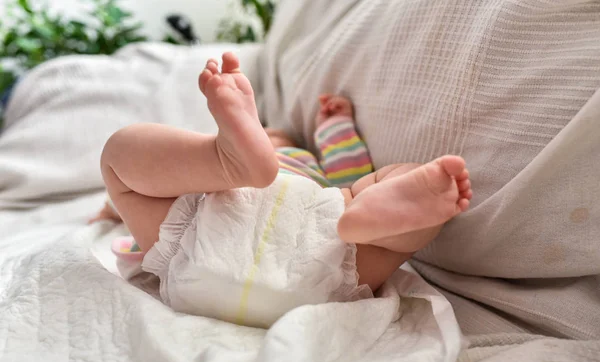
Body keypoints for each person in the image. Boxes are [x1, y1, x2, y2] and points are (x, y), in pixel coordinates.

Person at [97, 52, 472, 322]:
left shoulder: (212, 177)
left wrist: (114, 205)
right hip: (325, 264)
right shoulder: (318, 173)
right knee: (377, 189)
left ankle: (227, 160)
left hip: (196, 255)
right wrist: (338, 129)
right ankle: (373, 219)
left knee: (119, 158)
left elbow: (147, 189)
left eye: (271, 136)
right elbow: (350, 167)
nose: (273, 136)